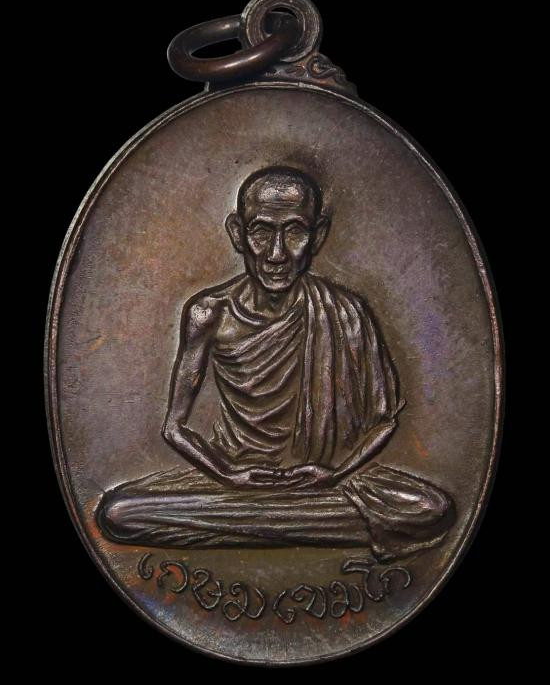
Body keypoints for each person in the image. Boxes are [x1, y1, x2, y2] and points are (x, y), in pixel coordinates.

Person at [97, 166, 454, 555]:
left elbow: (383, 422)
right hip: (235, 482)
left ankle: (260, 525)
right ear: (238, 234)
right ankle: (292, 525)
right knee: (120, 512)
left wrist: (335, 473)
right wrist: (229, 475)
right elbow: (174, 428)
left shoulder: (347, 312)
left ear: (318, 235)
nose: (277, 253)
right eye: (262, 232)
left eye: (295, 232)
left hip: (321, 484)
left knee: (430, 509)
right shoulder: (209, 314)